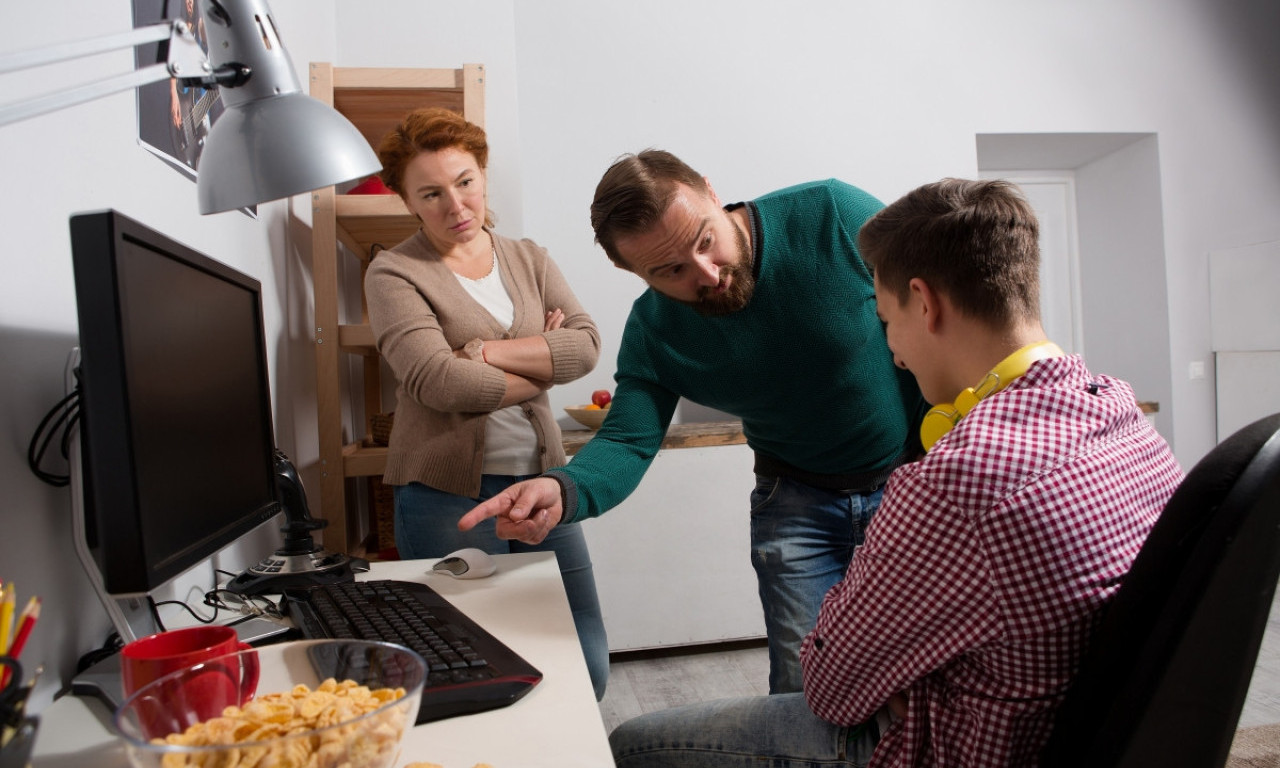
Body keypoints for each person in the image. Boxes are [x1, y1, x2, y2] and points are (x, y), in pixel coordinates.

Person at [605, 178, 1186, 767]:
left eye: (883, 318)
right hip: (1072, 728)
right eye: (669, 270)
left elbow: (832, 692)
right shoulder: (1120, 410)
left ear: (925, 303)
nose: (892, 350)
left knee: (631, 744)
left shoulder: (951, 484)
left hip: (956, 746)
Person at [461, 150, 928, 693]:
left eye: (705, 240)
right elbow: (628, 442)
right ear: (627, 269)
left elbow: (936, 307)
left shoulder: (833, 214)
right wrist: (562, 489)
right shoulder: (655, 333)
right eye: (671, 270)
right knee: (806, 692)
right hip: (795, 503)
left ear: (710, 190)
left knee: (917, 678)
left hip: (913, 482)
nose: (708, 275)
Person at [363, 107, 609, 699]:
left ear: (484, 175)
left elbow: (586, 348)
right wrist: (539, 359)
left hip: (542, 483)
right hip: (445, 493)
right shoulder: (393, 272)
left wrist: (479, 351)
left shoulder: (529, 257)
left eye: (466, 181)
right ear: (408, 201)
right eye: (432, 193)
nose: (457, 205)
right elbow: (435, 381)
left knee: (586, 660)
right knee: (475, 664)